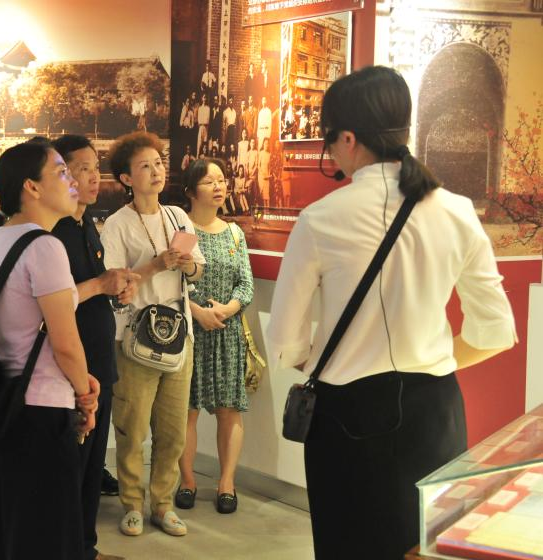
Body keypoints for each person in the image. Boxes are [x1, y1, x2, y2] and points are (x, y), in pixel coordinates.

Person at [265, 66, 517, 560]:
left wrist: (335, 360)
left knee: (348, 545)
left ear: (349, 138)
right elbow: (495, 331)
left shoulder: (321, 219)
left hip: (346, 416)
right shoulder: (456, 211)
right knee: (426, 546)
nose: (330, 152)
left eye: (328, 139)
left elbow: (285, 342)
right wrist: (431, 363)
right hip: (435, 413)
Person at [0, 139, 99, 559]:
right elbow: (66, 344)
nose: (72, 180)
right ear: (32, 187)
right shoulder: (45, 246)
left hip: (3, 406)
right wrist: (85, 394)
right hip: (42, 412)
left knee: (10, 533)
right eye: (61, 172)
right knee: (48, 538)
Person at [100, 131, 205, 538]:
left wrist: (187, 265)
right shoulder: (117, 225)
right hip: (134, 338)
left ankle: (163, 504)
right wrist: (157, 264)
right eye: (145, 166)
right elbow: (113, 283)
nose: (156, 171)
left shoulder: (177, 216)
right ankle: (132, 504)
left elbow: (198, 269)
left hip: (180, 335)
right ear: (126, 178)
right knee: (132, 427)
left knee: (173, 430)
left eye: (158, 163)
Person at [51, 134, 138, 560]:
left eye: (95, 168)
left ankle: (85, 547)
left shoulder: (87, 225)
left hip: (99, 364)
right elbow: (55, 300)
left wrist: (116, 289)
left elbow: (91, 289)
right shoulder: (52, 233)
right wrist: (101, 284)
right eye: (81, 168)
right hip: (70, 368)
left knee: (89, 468)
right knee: (67, 468)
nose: (92, 177)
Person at [176, 158, 253, 515]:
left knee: (229, 409)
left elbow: (246, 284)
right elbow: (172, 283)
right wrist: (199, 312)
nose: (219, 186)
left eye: (221, 180)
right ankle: (187, 480)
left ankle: (226, 483)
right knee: (186, 411)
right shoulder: (183, 230)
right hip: (190, 331)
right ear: (191, 191)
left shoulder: (235, 233)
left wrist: (226, 309)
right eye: (209, 181)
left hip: (226, 333)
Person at [196, 93, 210, 158]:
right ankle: (197, 156)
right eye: (203, 97)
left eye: (205, 98)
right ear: (202, 98)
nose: (204, 99)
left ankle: (204, 157)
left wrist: (204, 122)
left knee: (205, 143)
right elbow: (199, 120)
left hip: (206, 128)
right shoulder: (200, 108)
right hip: (201, 127)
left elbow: (207, 120)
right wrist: (202, 122)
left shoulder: (208, 108)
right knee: (199, 143)